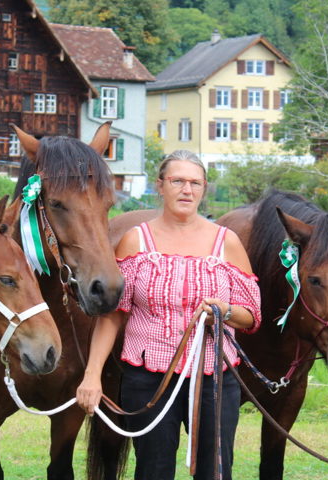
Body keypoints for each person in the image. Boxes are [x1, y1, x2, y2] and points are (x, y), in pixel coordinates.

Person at [76, 150, 262, 480]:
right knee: (153, 470)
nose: (186, 190)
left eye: (194, 183)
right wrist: (92, 374)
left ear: (204, 188)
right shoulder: (136, 241)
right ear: (160, 186)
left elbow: (251, 315)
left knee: (215, 472)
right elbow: (113, 315)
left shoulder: (226, 243)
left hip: (214, 379)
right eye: (177, 181)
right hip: (149, 379)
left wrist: (225, 310)